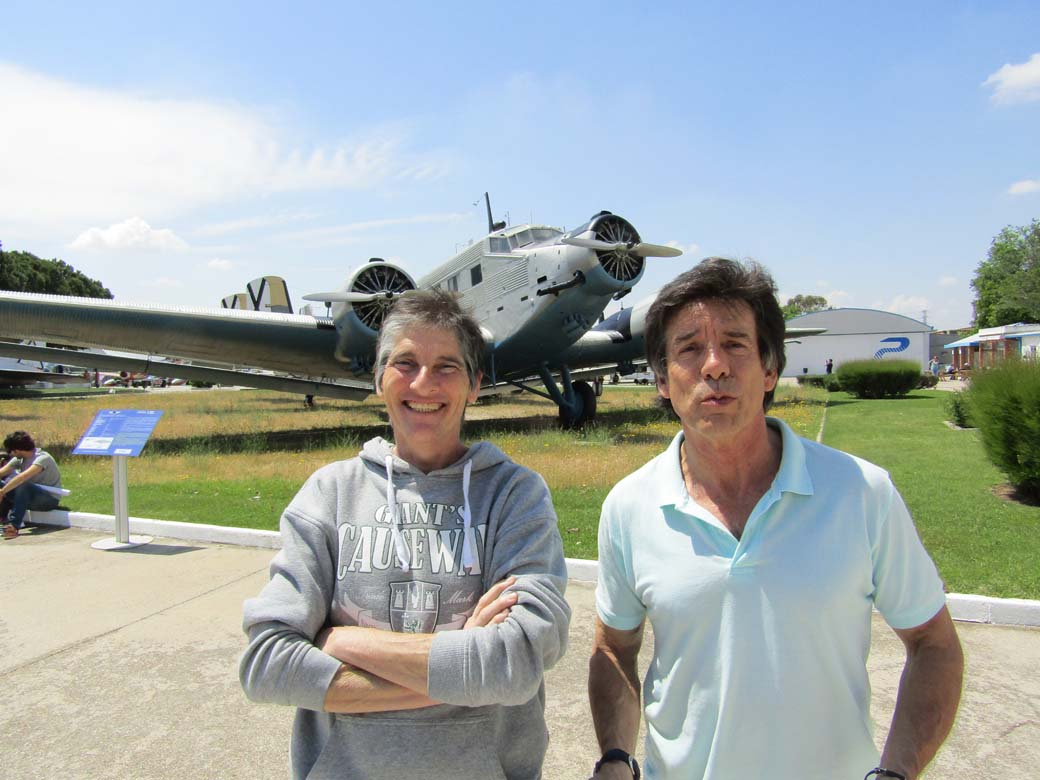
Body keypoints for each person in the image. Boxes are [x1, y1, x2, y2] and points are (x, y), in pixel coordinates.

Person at [587, 258, 963, 780]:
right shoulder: (628, 506)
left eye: (736, 344)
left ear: (769, 370)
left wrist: (897, 772)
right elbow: (614, 649)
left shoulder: (861, 492)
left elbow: (934, 645)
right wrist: (614, 759)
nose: (714, 366)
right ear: (661, 380)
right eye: (689, 348)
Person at [240, 289, 571, 780]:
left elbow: (517, 662)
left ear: (476, 385)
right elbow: (267, 665)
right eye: (405, 362)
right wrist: (465, 668)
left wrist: (342, 641)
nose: (423, 383)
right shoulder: (328, 493)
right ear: (379, 379)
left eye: (447, 367)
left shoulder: (516, 495)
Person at [1, 431, 63, 539]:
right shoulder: (19, 459)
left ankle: (13, 526)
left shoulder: (43, 458)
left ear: (17, 450)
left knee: (24, 485)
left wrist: (2, 491)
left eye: (11, 451)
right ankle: (2, 518)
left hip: (47, 500)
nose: (10, 454)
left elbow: (22, 478)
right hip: (24, 497)